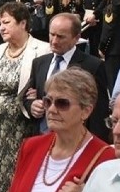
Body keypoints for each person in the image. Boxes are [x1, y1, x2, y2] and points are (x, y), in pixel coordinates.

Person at [0, 2, 51, 192]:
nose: (1, 27)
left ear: (23, 24)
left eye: (7, 22)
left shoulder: (42, 49)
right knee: (3, 181)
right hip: (0, 129)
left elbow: (45, 85)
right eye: (0, 23)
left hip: (25, 125)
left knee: (23, 178)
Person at [23, 13, 111, 142]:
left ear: (76, 38)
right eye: (52, 34)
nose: (54, 41)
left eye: (60, 37)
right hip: (42, 137)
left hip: (75, 141)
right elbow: (29, 95)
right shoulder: (39, 63)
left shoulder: (92, 66)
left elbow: (98, 112)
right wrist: (31, 105)